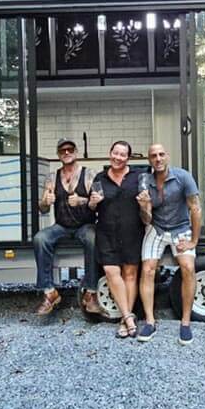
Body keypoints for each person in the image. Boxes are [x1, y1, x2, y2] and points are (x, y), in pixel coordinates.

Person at [135, 143, 201, 345]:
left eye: (161, 154)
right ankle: (150, 321)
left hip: (181, 228)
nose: (158, 159)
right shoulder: (145, 180)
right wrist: (144, 206)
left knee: (188, 267)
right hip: (157, 228)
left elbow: (195, 208)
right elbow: (146, 220)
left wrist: (193, 241)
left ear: (167, 156)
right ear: (149, 160)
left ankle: (185, 323)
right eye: (153, 156)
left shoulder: (182, 177)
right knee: (147, 270)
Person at [33, 138, 101, 317]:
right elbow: (42, 208)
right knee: (40, 238)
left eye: (70, 149)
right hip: (61, 226)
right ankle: (49, 292)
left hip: (84, 226)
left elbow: (99, 203)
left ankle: (91, 292)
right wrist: (45, 202)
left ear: (76, 152)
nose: (66, 152)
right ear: (58, 155)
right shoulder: (51, 177)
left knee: (93, 238)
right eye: (62, 150)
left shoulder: (88, 174)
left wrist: (82, 201)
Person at [87, 139, 145, 339]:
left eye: (122, 154)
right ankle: (129, 317)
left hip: (132, 232)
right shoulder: (100, 178)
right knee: (112, 273)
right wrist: (93, 203)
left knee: (130, 274)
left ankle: (123, 320)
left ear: (128, 158)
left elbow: (148, 198)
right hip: (106, 233)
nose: (117, 157)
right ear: (109, 153)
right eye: (115, 153)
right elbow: (91, 206)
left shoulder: (138, 177)